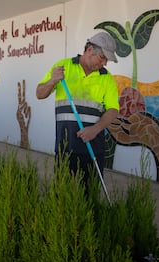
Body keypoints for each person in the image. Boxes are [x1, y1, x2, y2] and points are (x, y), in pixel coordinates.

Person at [36, 32, 120, 193]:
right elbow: (39, 94)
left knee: (90, 194)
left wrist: (94, 130)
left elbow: (113, 110)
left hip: (93, 146)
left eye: (106, 60)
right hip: (65, 145)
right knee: (62, 193)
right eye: (102, 58)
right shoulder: (63, 67)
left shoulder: (106, 77)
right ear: (89, 49)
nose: (104, 63)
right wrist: (53, 80)